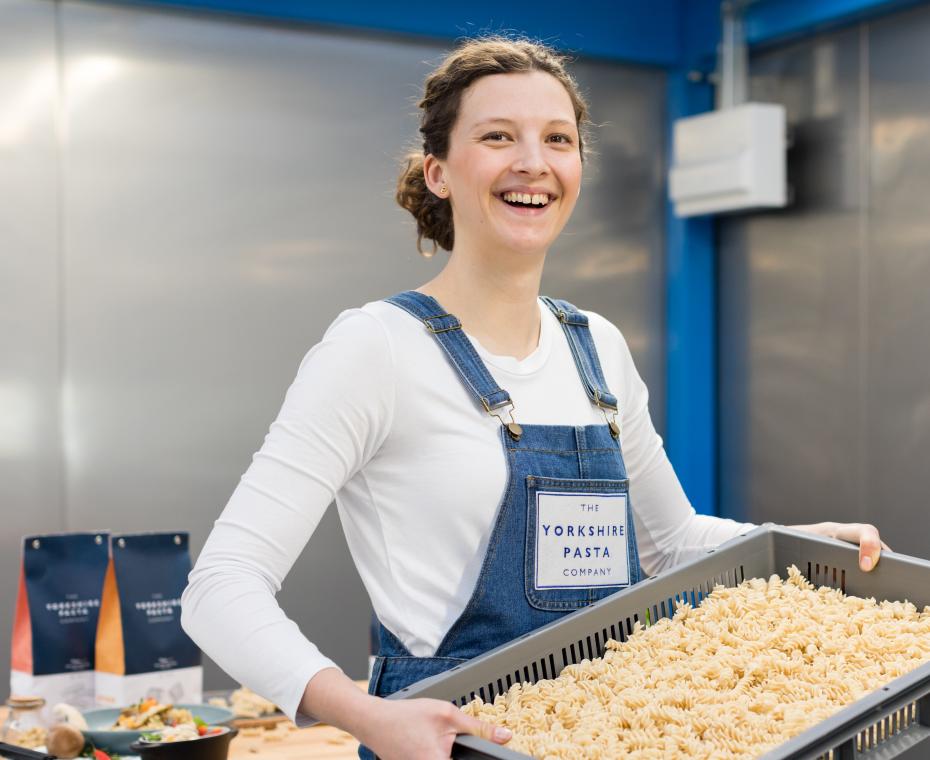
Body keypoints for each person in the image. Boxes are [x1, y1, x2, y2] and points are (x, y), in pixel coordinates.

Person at [181, 37, 888, 760]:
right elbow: (221, 587)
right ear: (439, 173)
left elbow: (670, 544)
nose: (533, 162)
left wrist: (796, 543)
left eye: (558, 139)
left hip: (613, 735)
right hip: (455, 744)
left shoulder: (597, 347)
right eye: (497, 137)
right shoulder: (376, 349)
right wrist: (365, 715)